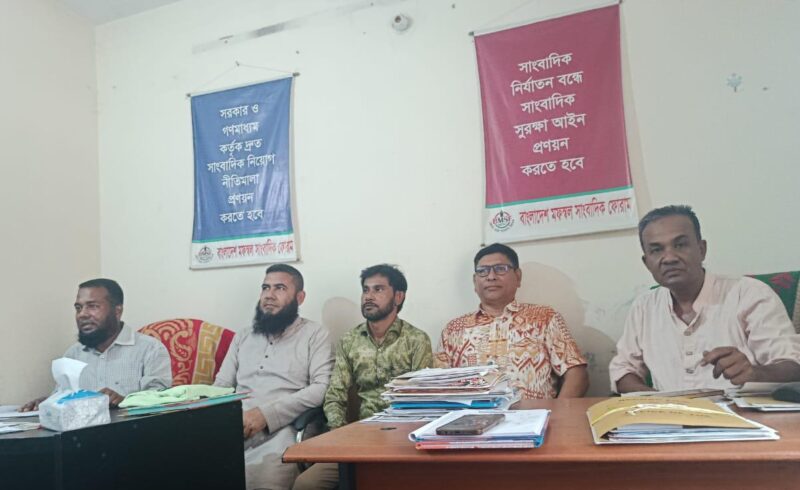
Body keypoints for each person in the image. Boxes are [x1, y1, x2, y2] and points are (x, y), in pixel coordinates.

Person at [610, 205, 800, 393]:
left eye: (680, 245)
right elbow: (622, 370)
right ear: (646, 262)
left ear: (702, 249)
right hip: (669, 412)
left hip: (743, 411)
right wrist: (654, 401)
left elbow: (793, 366)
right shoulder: (644, 307)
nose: (669, 258)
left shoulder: (750, 294)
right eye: (657, 250)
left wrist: (755, 373)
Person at [292, 264, 433, 490]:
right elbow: (335, 394)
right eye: (366, 290)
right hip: (359, 438)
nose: (369, 296)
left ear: (398, 297)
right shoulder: (350, 340)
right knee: (305, 484)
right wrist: (339, 435)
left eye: (378, 289)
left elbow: (423, 401)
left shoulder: (416, 340)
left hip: (403, 440)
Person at [214, 264, 334, 490]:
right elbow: (221, 385)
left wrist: (266, 415)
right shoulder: (243, 336)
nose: (269, 295)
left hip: (285, 429)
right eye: (265, 288)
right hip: (234, 427)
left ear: (300, 297)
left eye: (280, 288)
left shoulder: (315, 334)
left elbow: (321, 387)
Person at [435, 243, 589, 399]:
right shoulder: (453, 330)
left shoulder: (544, 318)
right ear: (475, 282)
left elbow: (577, 374)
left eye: (500, 269)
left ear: (518, 276)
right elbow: (437, 385)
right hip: (472, 414)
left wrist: (559, 411)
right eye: (482, 271)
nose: (491, 276)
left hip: (535, 413)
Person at [20, 278, 172, 411]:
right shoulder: (73, 355)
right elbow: (63, 398)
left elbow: (160, 402)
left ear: (117, 311)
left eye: (92, 306)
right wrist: (48, 403)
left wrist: (124, 401)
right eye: (78, 308)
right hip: (81, 434)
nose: (82, 314)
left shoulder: (150, 349)